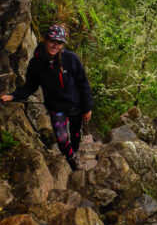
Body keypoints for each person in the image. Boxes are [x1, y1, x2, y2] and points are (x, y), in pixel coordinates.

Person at [1, 25, 93, 170]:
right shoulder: (36, 64)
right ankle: (72, 160)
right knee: (62, 139)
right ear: (45, 40)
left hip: (76, 106)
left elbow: (83, 84)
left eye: (59, 42)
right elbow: (30, 86)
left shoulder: (71, 59)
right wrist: (13, 96)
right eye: (52, 41)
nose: (55, 45)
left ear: (63, 45)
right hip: (56, 108)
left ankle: (75, 151)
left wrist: (87, 108)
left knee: (75, 136)